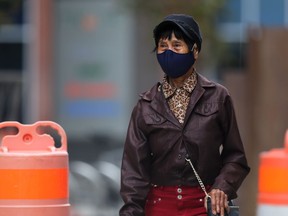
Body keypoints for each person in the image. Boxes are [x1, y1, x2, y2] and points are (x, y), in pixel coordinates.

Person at [119, 14, 250, 216]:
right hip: (159, 207)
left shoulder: (218, 97)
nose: (168, 51)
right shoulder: (145, 105)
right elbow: (133, 172)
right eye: (163, 46)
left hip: (204, 206)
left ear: (195, 51)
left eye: (177, 45)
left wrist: (222, 187)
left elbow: (236, 157)